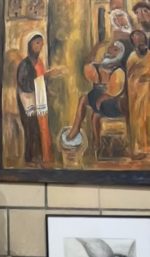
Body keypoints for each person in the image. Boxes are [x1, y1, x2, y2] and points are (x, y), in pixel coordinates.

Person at [65, 41, 127, 152]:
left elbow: (115, 91)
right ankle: (76, 128)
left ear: (120, 54)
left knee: (95, 115)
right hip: (98, 102)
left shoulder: (119, 71)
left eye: (115, 50)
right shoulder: (101, 66)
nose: (111, 50)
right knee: (84, 100)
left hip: (112, 104)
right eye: (111, 48)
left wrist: (103, 98)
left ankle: (96, 142)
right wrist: (95, 49)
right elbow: (88, 67)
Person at [16, 32, 59, 168]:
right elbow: (24, 84)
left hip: (39, 101)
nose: (40, 46)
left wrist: (48, 86)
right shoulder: (24, 64)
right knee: (31, 129)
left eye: (41, 43)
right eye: (37, 43)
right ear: (30, 45)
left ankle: (41, 157)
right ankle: (30, 159)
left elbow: (40, 83)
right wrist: (45, 77)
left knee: (40, 129)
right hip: (28, 103)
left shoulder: (39, 62)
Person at [126, 30, 150, 158]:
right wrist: (140, 79)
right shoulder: (132, 58)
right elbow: (130, 76)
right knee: (138, 120)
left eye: (141, 39)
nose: (140, 42)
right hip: (137, 94)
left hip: (149, 93)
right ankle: (139, 149)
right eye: (136, 40)